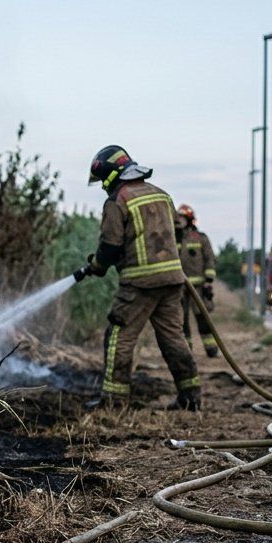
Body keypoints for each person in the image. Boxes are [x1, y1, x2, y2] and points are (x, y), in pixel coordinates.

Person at [79, 145, 201, 411]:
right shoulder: (162, 195)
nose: (102, 187)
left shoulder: (118, 200)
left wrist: (97, 266)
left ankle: (113, 402)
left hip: (138, 284)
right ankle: (190, 396)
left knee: (118, 338)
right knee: (173, 338)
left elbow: (110, 247)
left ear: (112, 175)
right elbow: (178, 233)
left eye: (102, 181)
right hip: (172, 281)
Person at [175, 204, 220, 358]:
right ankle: (186, 351)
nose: (179, 221)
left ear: (189, 220)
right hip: (179, 286)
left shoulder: (200, 238)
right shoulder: (173, 238)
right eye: (177, 218)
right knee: (182, 320)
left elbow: (209, 259)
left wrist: (208, 280)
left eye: (182, 218)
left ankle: (211, 349)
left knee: (203, 319)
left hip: (199, 287)